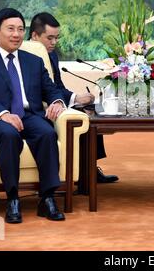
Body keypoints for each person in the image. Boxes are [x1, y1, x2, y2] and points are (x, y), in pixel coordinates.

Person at [0, 8, 67, 223]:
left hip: (29, 115)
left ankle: (47, 198)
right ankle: (13, 199)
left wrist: (57, 101)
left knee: (47, 133)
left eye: (20, 29)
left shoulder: (34, 61)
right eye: (10, 29)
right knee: (9, 133)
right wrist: (3, 114)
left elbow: (51, 89)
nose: (16, 34)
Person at [28, 12, 118, 184]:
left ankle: (89, 167)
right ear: (34, 35)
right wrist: (75, 98)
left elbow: (57, 87)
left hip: (56, 103)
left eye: (57, 38)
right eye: (50, 38)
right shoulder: (24, 56)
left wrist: (77, 98)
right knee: (80, 111)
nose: (54, 43)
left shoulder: (51, 54)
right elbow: (39, 91)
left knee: (89, 111)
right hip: (38, 108)